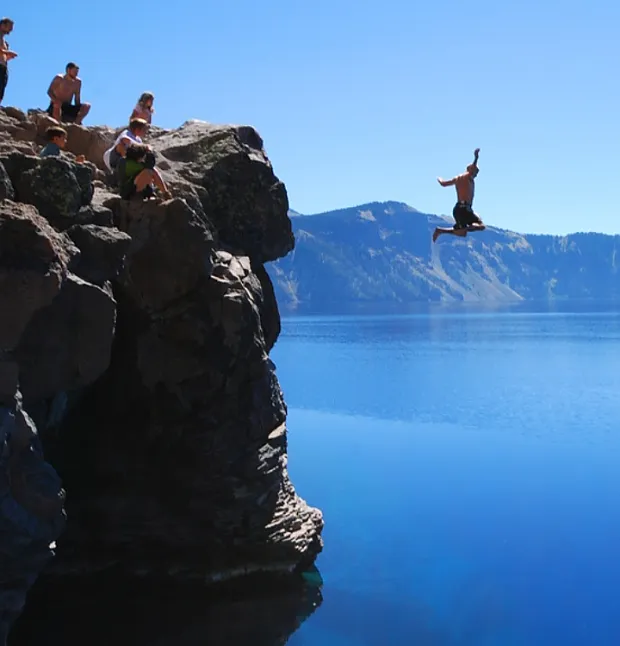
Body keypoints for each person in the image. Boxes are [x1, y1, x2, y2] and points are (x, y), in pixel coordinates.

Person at [433, 148, 486, 243]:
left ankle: (441, 230)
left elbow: (444, 184)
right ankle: (464, 227)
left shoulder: (457, 179)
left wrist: (440, 179)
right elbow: (472, 169)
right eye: (475, 173)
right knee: (476, 227)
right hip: (464, 209)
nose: (476, 175)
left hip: (459, 209)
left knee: (466, 232)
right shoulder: (467, 177)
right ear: (470, 170)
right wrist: (476, 158)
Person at [0, 18, 17, 104]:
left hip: (3, 67)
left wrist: (8, 56)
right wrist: (7, 52)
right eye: (9, 27)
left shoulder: (4, 42)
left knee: (1, 90)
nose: (11, 30)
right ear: (3, 25)